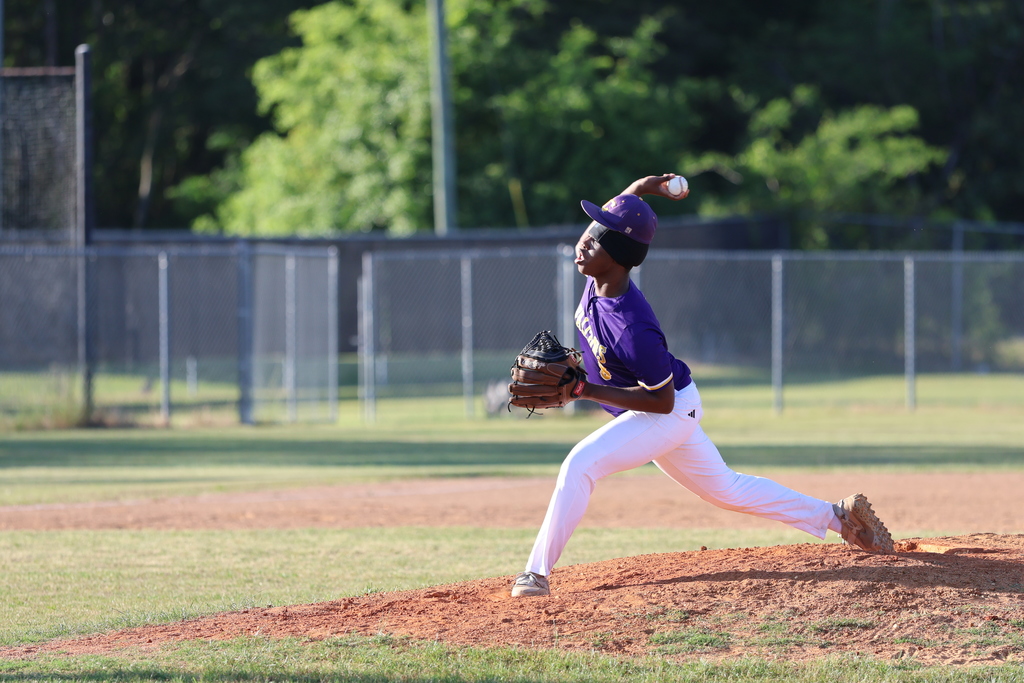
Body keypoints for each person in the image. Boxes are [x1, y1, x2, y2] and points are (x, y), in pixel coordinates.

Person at [510, 174, 893, 598]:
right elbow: (623, 207)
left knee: (579, 464)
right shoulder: (597, 274)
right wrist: (643, 188)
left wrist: (585, 391)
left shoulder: (631, 324)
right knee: (727, 489)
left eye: (597, 238)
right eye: (590, 230)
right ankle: (841, 518)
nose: (584, 241)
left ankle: (535, 574)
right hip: (662, 408)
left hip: (666, 410)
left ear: (618, 255)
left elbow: (661, 399)